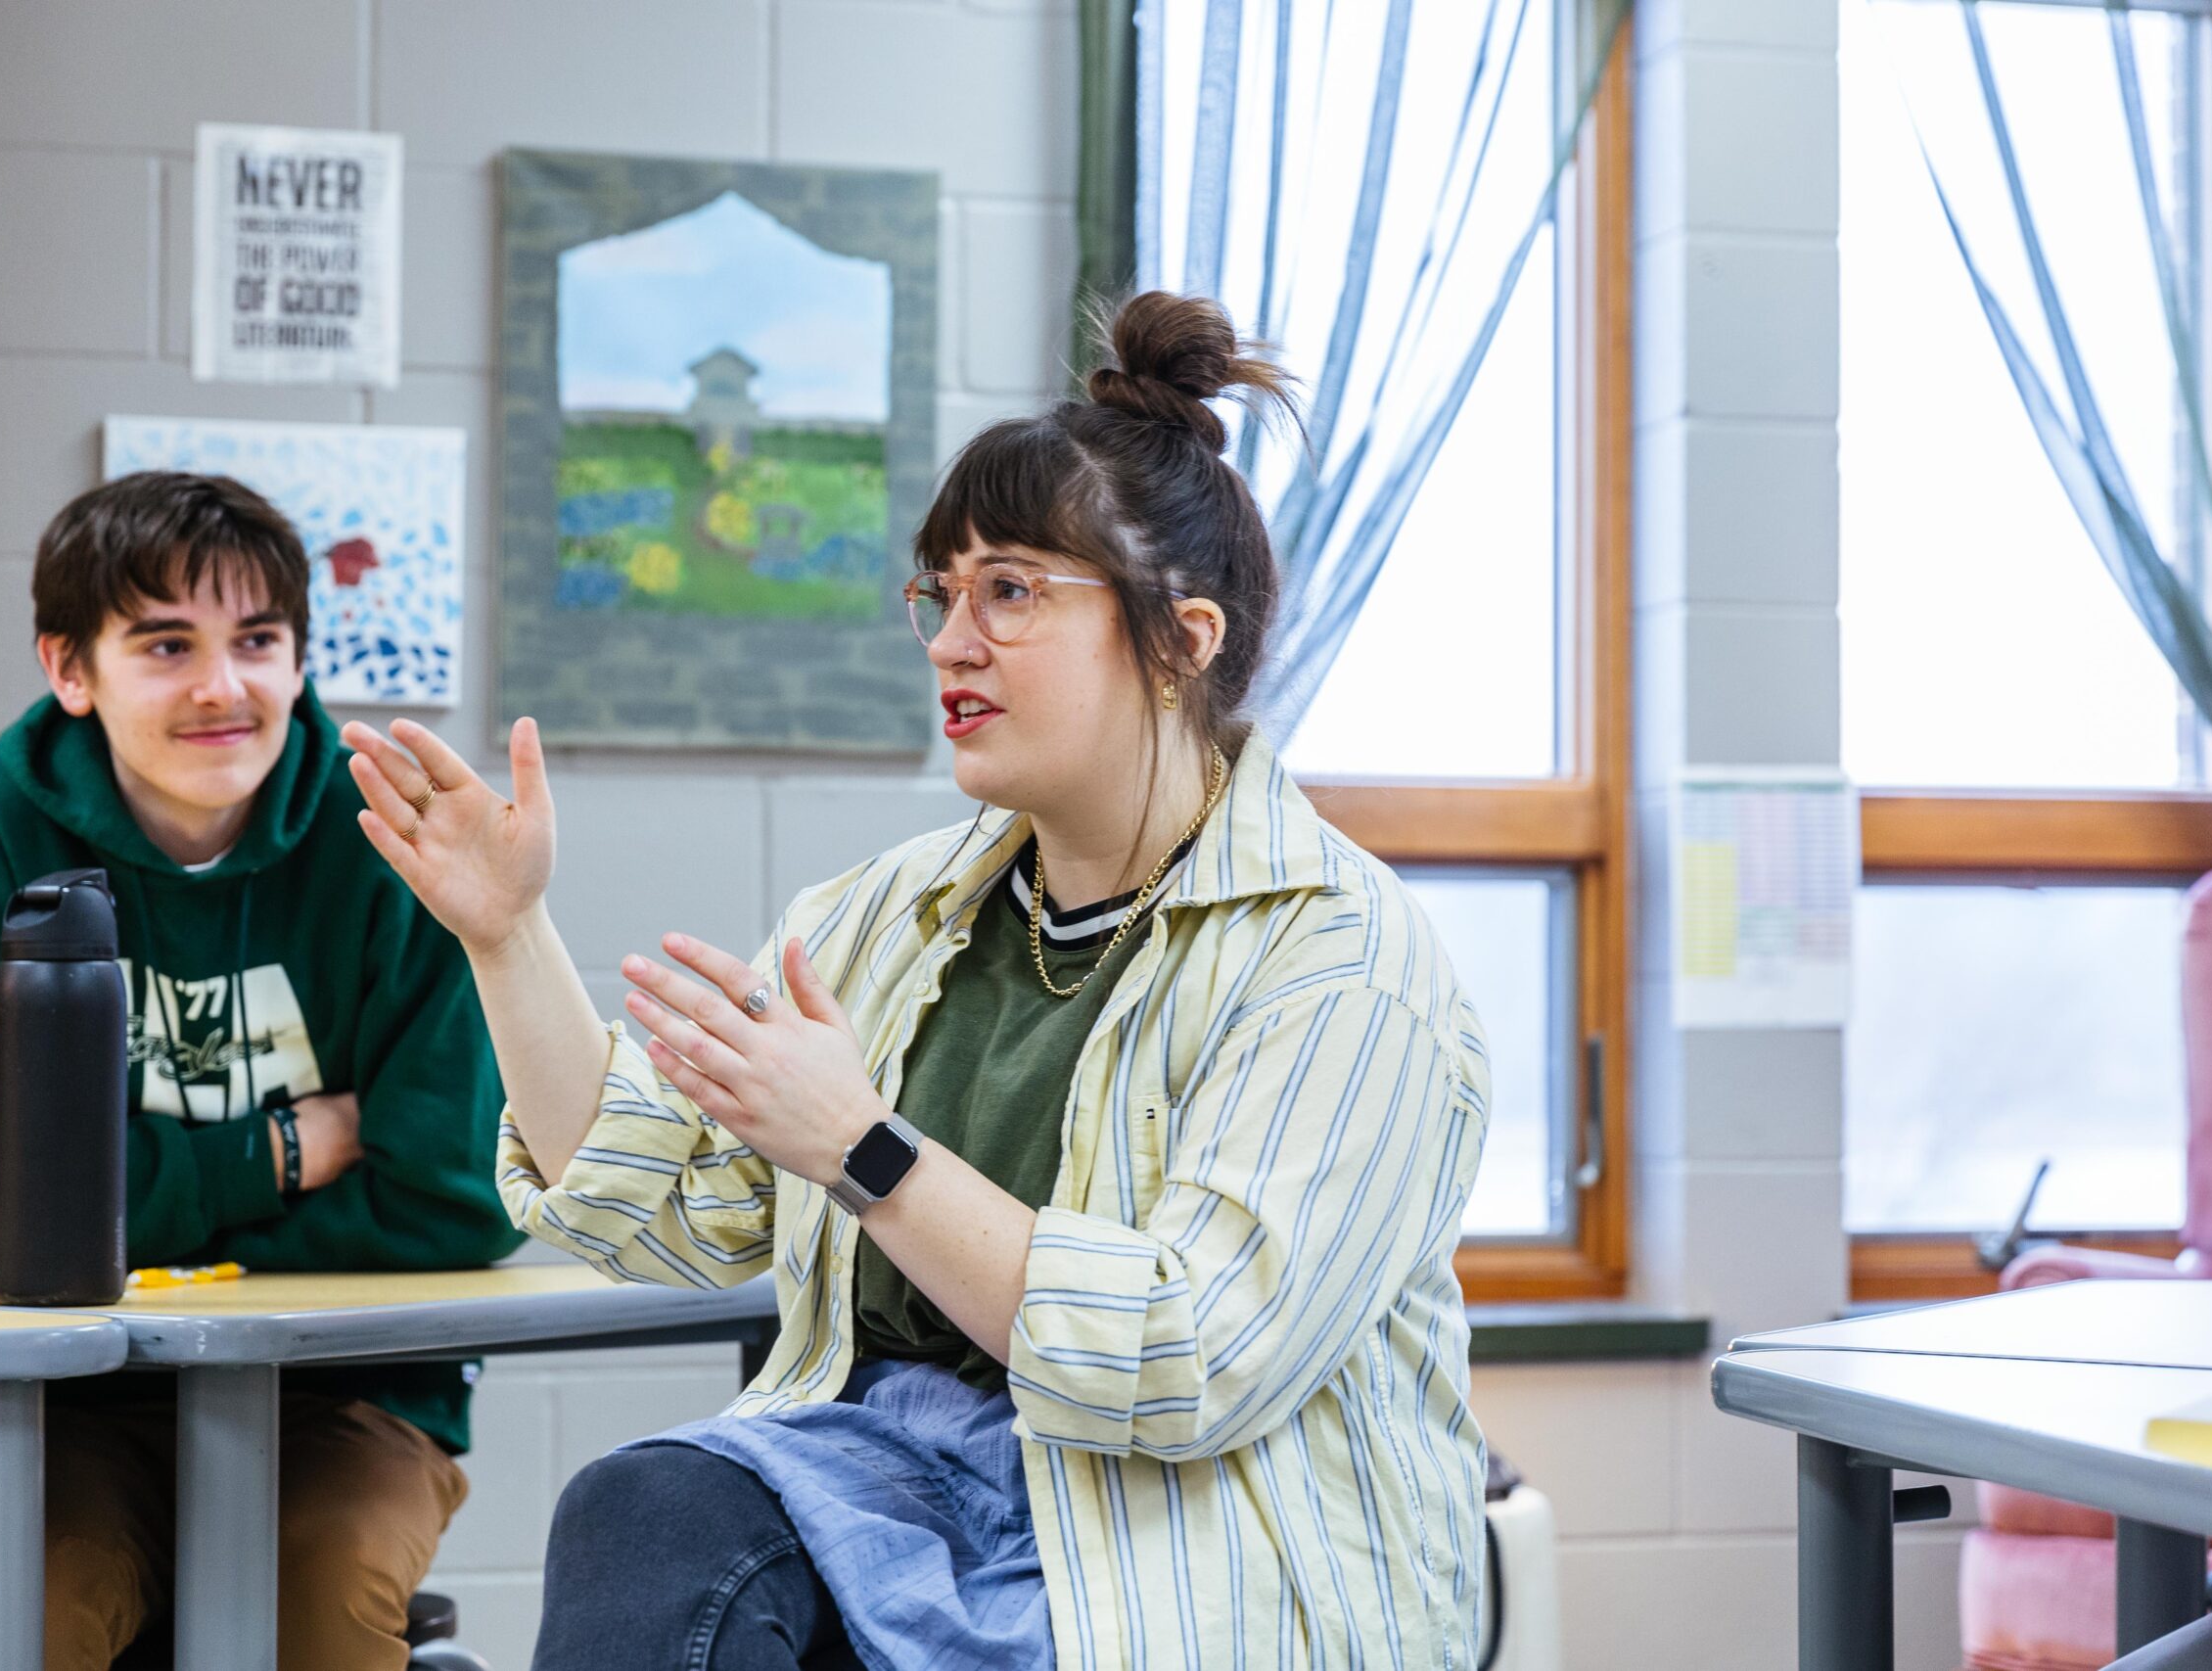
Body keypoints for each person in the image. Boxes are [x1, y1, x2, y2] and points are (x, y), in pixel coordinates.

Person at [345, 292, 1495, 1670]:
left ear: (1184, 639)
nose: (950, 640)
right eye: (939, 591)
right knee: (646, 1509)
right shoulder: (890, 913)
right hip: (898, 1482)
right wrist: (506, 934)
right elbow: (661, 1200)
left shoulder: (1345, 964)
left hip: (1186, 1545)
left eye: (1010, 589)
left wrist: (862, 1145)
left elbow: (1188, 1357)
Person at [0, 472, 523, 1670]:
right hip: (60, 1405)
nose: (224, 688)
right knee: (31, 1616)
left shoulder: (393, 838)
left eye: (258, 642)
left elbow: (455, 1203)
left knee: (314, 1607)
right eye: (167, 645)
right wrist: (285, 1150)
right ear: (71, 670)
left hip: (350, 1399)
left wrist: (105, 1225)